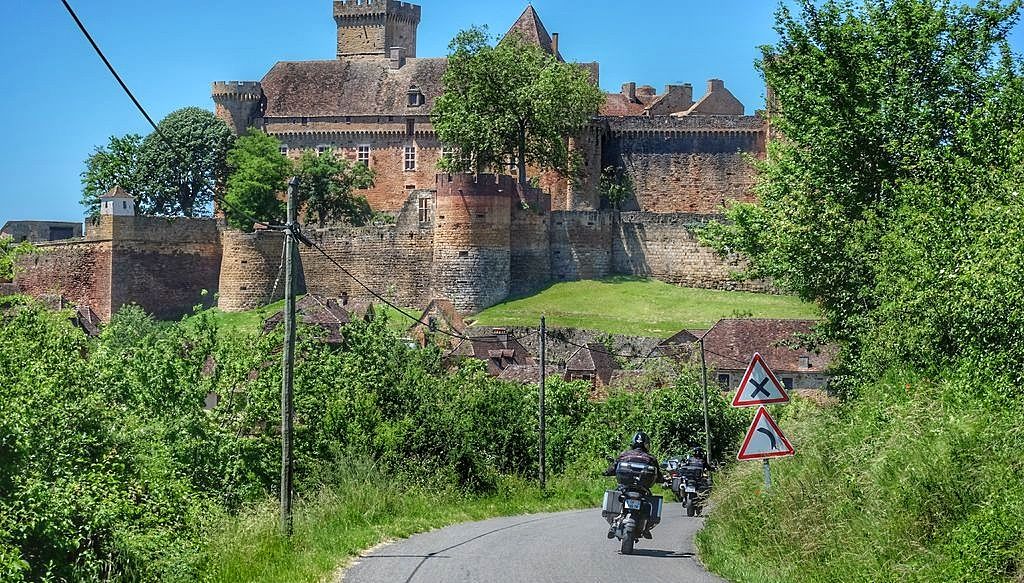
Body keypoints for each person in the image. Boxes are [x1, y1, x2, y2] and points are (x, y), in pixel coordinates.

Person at [604, 431, 665, 540]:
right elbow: (659, 476)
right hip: (642, 489)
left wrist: (606, 472)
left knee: (617, 495)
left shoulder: (625, 454)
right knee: (649, 501)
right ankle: (646, 528)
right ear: (646, 444)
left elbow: (613, 468)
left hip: (626, 488)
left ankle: (614, 523)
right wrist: (662, 479)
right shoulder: (651, 458)